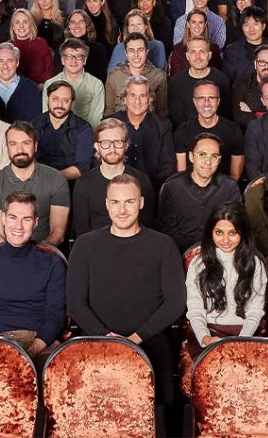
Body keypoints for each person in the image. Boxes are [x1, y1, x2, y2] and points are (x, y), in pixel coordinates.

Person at [67, 174, 187, 405]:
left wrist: (136, 337)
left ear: (141, 203)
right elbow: (75, 302)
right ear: (106, 204)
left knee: (162, 394)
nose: (122, 210)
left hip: (148, 338)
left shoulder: (163, 245)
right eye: (115, 202)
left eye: (129, 202)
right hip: (96, 336)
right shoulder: (85, 245)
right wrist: (106, 336)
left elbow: (175, 303)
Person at [0, 191, 68, 357]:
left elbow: (55, 317)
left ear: (36, 222)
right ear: (3, 218)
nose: (19, 226)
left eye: (26, 219)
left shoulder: (53, 262)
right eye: (13, 217)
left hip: (41, 341)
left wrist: (32, 350)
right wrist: (1, 351)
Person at [184, 201, 267, 356]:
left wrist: (242, 340)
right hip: (209, 332)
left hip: (244, 333)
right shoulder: (198, 263)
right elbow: (195, 309)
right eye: (219, 232)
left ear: (243, 233)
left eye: (233, 233)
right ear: (211, 232)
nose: (226, 240)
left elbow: (255, 311)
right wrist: (205, 338)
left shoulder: (255, 264)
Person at [0, 122, 71, 246]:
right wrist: (11, 259)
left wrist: (36, 257)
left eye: (26, 143)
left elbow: (57, 233)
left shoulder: (56, 179)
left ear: (35, 146)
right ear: (7, 147)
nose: (20, 150)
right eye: (13, 144)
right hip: (7, 255)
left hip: (44, 254)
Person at [72, 118, 156, 240]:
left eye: (118, 142)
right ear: (97, 146)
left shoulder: (141, 181)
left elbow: (149, 226)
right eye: (105, 143)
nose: (112, 149)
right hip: (96, 249)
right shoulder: (84, 183)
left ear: (126, 144)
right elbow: (81, 231)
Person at [159, 133, 243, 252]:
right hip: (179, 253)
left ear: (219, 160)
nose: (208, 162)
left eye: (214, 156)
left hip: (220, 251)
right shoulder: (172, 186)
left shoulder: (229, 187)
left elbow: (236, 226)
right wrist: (191, 252)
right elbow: (167, 230)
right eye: (202, 155)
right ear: (191, 157)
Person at [112, 76, 176, 186]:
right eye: (132, 95)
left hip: (152, 188)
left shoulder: (163, 125)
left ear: (150, 99)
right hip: (116, 188)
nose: (137, 101)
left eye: (142, 95)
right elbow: (101, 162)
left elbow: (167, 166)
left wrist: (148, 187)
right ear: (124, 99)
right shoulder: (111, 124)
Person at [35, 80, 94, 181]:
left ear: (72, 102)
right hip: (38, 181)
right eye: (55, 99)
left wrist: (51, 178)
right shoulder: (35, 124)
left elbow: (82, 167)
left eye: (66, 100)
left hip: (70, 183)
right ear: (47, 99)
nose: (60, 105)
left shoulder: (83, 128)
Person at [0, 41, 43, 123]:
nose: (5, 66)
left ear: (17, 62)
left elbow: (35, 123)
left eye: (10, 61)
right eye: (0, 61)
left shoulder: (31, 88)